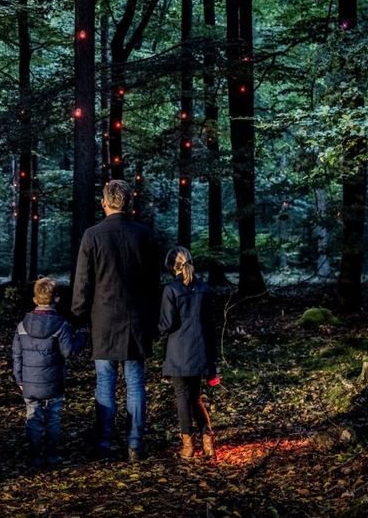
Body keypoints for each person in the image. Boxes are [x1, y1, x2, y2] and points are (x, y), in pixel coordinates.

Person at [71, 179, 159, 462]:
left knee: (105, 384)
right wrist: (153, 318)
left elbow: (83, 282)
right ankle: (134, 443)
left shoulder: (93, 236)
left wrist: (78, 315)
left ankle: (104, 443)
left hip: (104, 320)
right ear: (129, 203)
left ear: (104, 202)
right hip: (137, 319)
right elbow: (153, 282)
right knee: (135, 383)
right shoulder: (144, 235)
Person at [12, 276, 88, 467]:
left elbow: (17, 355)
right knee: (53, 418)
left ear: (35, 299)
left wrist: (19, 379)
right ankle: (52, 456)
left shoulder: (22, 326)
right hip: (53, 381)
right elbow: (68, 351)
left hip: (29, 382)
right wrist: (82, 336)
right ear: (56, 299)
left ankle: (35, 456)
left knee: (33, 417)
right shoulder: (61, 325)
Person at [158, 246, 218, 460]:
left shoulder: (171, 290)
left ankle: (188, 444)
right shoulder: (204, 288)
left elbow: (166, 324)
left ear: (170, 266)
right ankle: (207, 440)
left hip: (178, 351)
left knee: (183, 397)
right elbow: (210, 323)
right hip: (200, 349)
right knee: (195, 397)